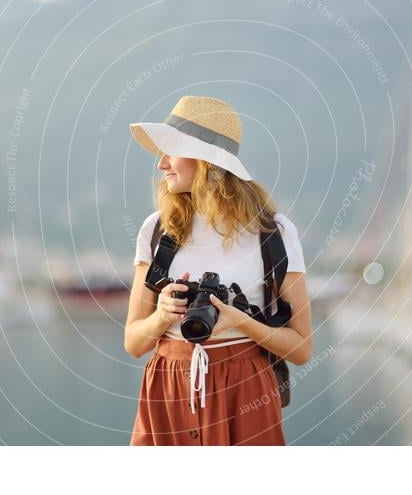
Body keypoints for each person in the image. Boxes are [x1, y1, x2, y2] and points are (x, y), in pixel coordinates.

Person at [124, 95, 312, 446]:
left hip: (246, 391)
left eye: (171, 151)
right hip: (168, 388)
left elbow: (301, 350)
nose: (161, 164)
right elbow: (134, 342)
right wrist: (163, 315)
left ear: (206, 161)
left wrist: (239, 321)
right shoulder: (156, 230)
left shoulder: (274, 233)